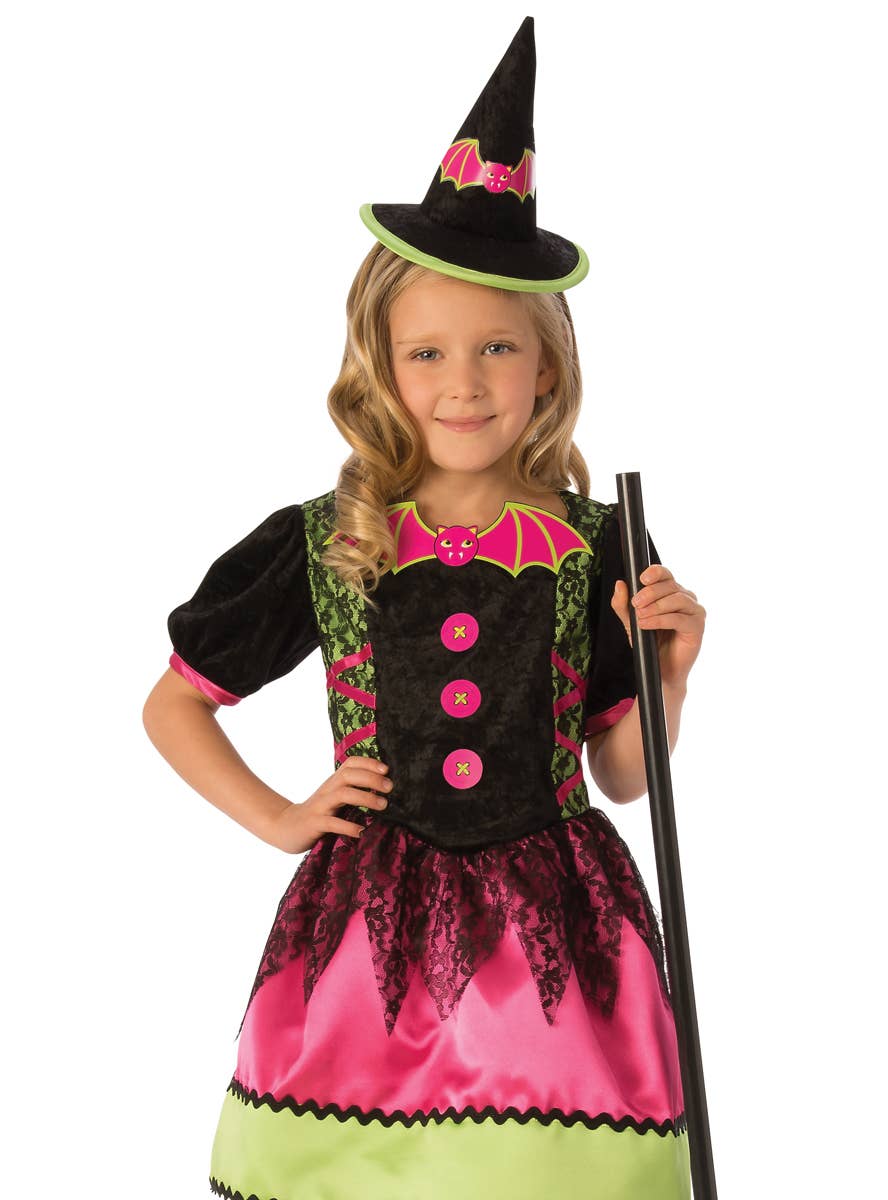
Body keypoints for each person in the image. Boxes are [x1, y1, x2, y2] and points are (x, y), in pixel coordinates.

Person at [142, 17, 706, 1200]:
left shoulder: (596, 542)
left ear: (546, 367)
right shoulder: (331, 537)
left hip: (557, 936)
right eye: (428, 354)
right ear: (382, 365)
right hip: (369, 938)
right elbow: (174, 706)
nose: (464, 384)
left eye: (497, 349)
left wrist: (669, 672)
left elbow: (622, 775)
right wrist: (283, 819)